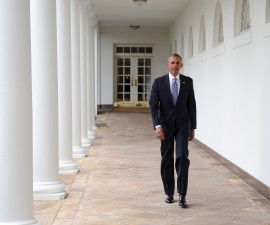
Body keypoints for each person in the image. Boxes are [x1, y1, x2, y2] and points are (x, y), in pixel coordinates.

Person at [149, 53, 197, 208]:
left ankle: (182, 195)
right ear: (167, 64)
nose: (175, 65)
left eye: (178, 63)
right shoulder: (159, 82)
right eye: (172, 63)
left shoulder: (187, 81)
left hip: (183, 126)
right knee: (167, 159)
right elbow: (153, 105)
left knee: (183, 158)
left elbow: (192, 105)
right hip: (165, 127)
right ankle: (169, 193)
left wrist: (192, 127)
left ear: (181, 65)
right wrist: (157, 126)